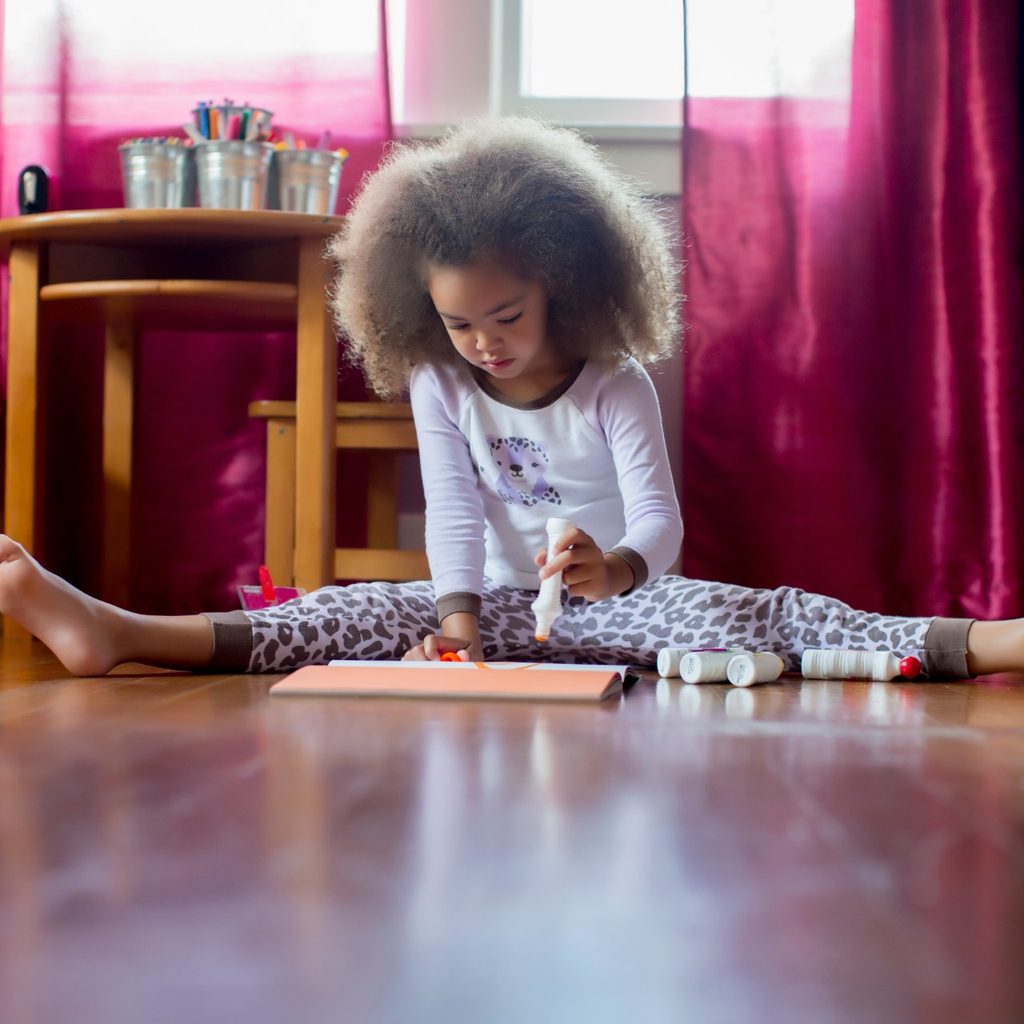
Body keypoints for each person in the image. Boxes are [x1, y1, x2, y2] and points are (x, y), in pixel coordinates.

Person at [0, 117, 1021, 679]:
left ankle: (991, 641)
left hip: (634, 607)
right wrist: (453, 618)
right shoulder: (444, 383)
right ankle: (118, 630)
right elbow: (450, 509)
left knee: (761, 612)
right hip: (490, 612)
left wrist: (613, 568)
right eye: (457, 323)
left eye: (506, 314)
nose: (483, 343)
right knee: (342, 612)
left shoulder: (612, 386)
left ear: (564, 287)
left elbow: (660, 520)